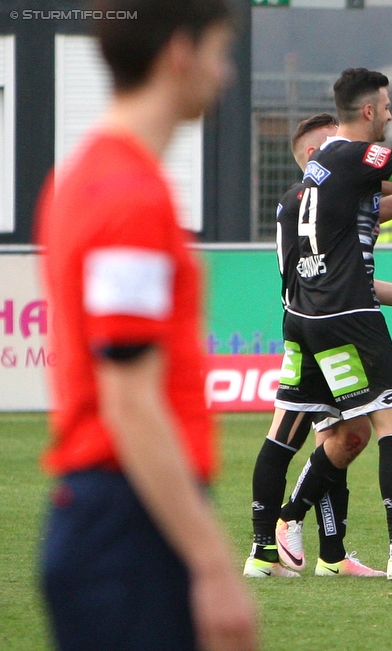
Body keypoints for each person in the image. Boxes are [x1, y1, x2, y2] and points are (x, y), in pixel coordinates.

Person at [36, 1, 257, 650]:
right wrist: (214, 562)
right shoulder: (126, 195)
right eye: (220, 51)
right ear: (179, 54)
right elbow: (131, 401)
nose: (227, 74)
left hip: (117, 517)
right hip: (125, 525)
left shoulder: (91, 175)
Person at [270, 68, 392, 581]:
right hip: (351, 315)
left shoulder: (326, 169)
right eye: (388, 104)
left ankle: (287, 524)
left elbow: (388, 201)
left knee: (348, 432)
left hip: (317, 316)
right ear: (370, 111)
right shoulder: (353, 153)